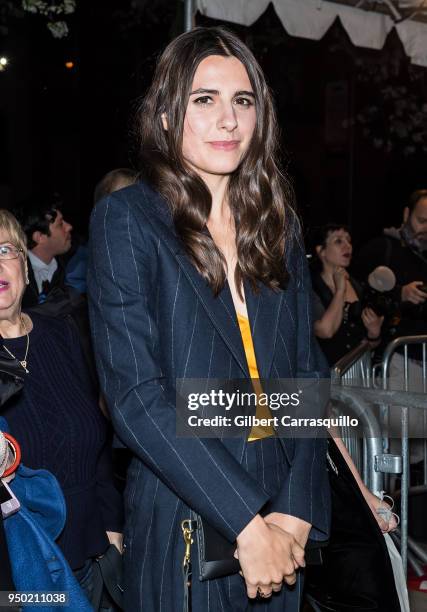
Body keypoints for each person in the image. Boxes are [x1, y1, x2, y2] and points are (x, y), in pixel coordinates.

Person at [88, 26, 330, 612]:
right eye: (205, 100)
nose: (229, 120)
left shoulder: (277, 224)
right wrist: (248, 524)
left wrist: (296, 511)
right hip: (185, 514)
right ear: (168, 116)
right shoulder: (129, 219)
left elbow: (304, 373)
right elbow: (137, 397)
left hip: (281, 524)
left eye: (242, 101)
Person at [0, 209, 123, 604]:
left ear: (23, 260)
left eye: (5, 249)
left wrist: (112, 524)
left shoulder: (59, 332)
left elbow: (98, 435)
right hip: (21, 572)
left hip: (90, 556)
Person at [353, 190, 427, 390]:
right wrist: (399, 292)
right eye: (421, 220)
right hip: (396, 360)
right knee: (401, 421)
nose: (425, 228)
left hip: (421, 355)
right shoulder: (382, 248)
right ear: (406, 214)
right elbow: (357, 289)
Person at [310, 224, 384, 366]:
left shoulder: (358, 285)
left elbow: (366, 345)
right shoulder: (311, 287)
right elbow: (325, 330)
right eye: (338, 241)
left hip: (357, 375)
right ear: (321, 251)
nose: (347, 246)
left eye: (348, 240)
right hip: (326, 376)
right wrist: (340, 290)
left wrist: (374, 335)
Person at [15, 195, 74, 308]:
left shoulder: (74, 268)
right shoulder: (15, 275)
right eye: (60, 224)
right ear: (40, 237)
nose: (69, 227)